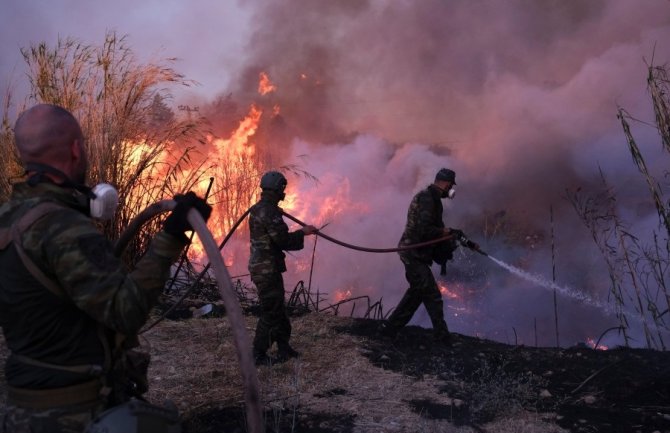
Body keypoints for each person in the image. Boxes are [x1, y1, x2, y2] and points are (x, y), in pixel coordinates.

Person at [0, 103, 211, 432]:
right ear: (75, 149)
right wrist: (170, 236)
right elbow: (125, 310)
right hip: (73, 413)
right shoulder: (63, 227)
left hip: (22, 408)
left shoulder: (9, 218)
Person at [380, 168, 468, 345]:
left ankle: (389, 331)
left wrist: (453, 238)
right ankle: (442, 338)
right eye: (451, 185)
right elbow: (424, 230)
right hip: (412, 252)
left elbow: (436, 231)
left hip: (417, 254)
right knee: (432, 294)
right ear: (445, 183)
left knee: (416, 294)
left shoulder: (435, 200)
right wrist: (447, 231)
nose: (451, 189)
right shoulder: (427, 198)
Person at [248, 171, 317, 365]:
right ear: (278, 189)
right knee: (271, 311)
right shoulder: (268, 212)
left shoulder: (260, 209)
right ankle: (258, 355)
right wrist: (303, 232)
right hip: (266, 269)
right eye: (282, 189)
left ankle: (284, 348)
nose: (283, 193)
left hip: (265, 267)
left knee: (279, 309)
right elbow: (283, 240)